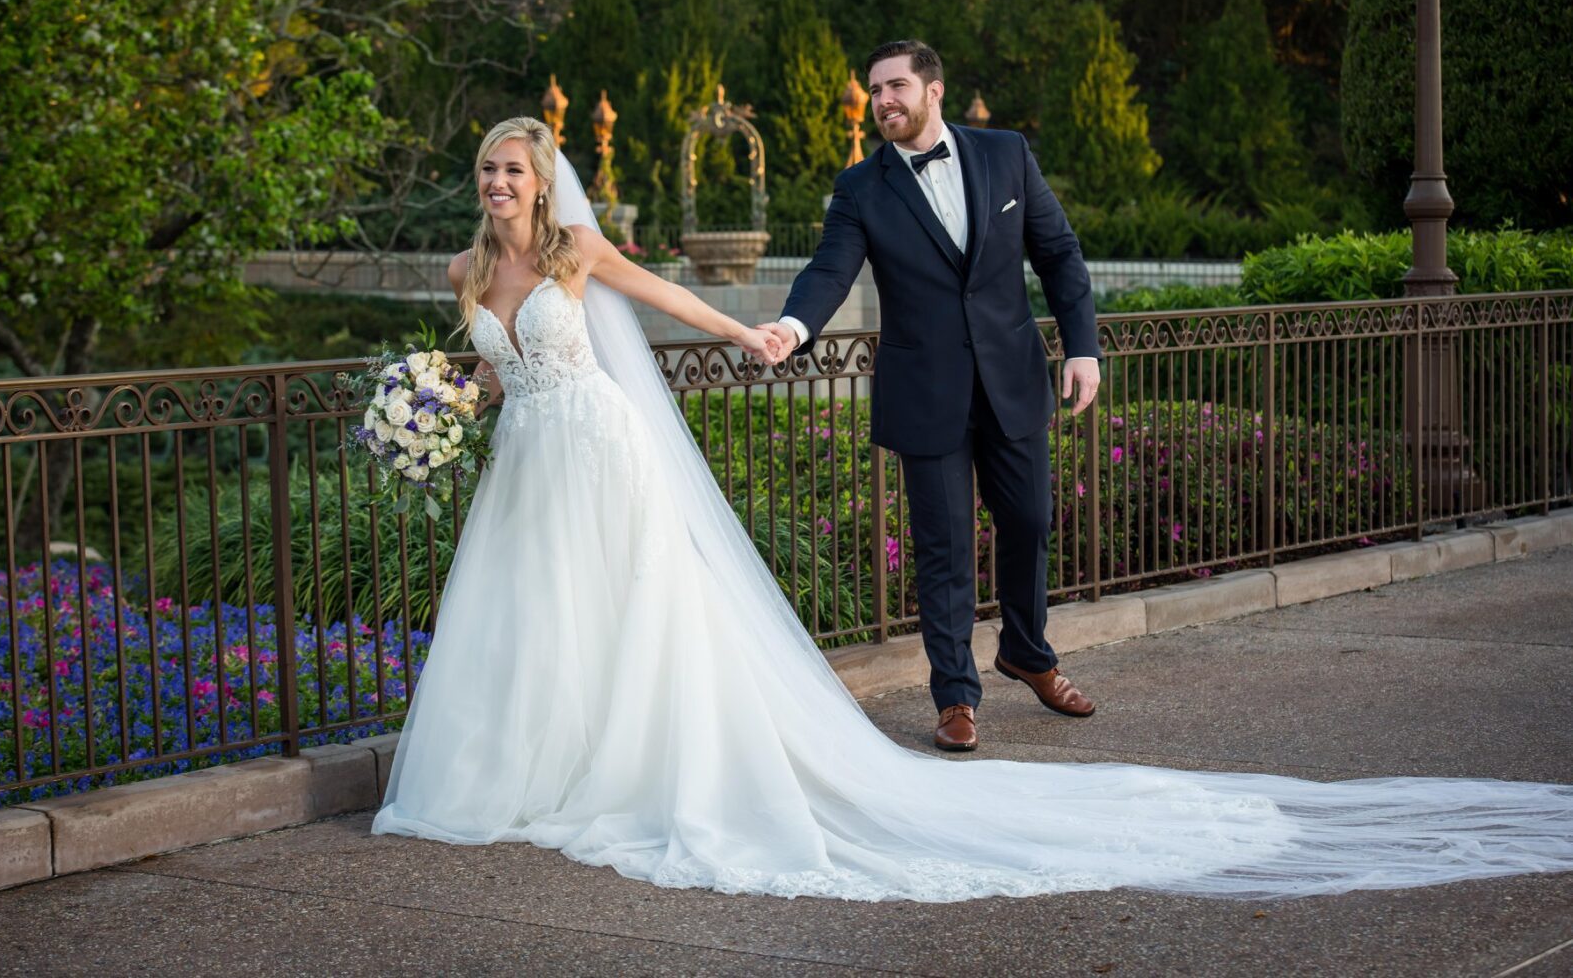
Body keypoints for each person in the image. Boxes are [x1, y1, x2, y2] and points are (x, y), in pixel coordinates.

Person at [371, 114, 1573, 903]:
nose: (497, 184)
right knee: (539, 615)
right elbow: (486, 370)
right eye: (486, 170)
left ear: (542, 182)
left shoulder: (579, 253)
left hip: (600, 449)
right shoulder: (468, 273)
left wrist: (753, 329)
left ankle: (677, 750)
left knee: (628, 615)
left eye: (512, 169)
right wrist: (431, 409)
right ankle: (543, 767)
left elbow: (663, 295)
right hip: (527, 458)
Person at [760, 40, 1100, 753]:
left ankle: (1027, 652)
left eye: (896, 86)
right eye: (875, 89)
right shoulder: (860, 187)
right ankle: (955, 696)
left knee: (1032, 523)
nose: (883, 100)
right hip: (927, 391)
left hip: (1012, 377)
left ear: (933, 90)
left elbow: (1059, 252)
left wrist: (1084, 347)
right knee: (943, 548)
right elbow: (830, 270)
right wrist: (793, 327)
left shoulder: (1007, 152)